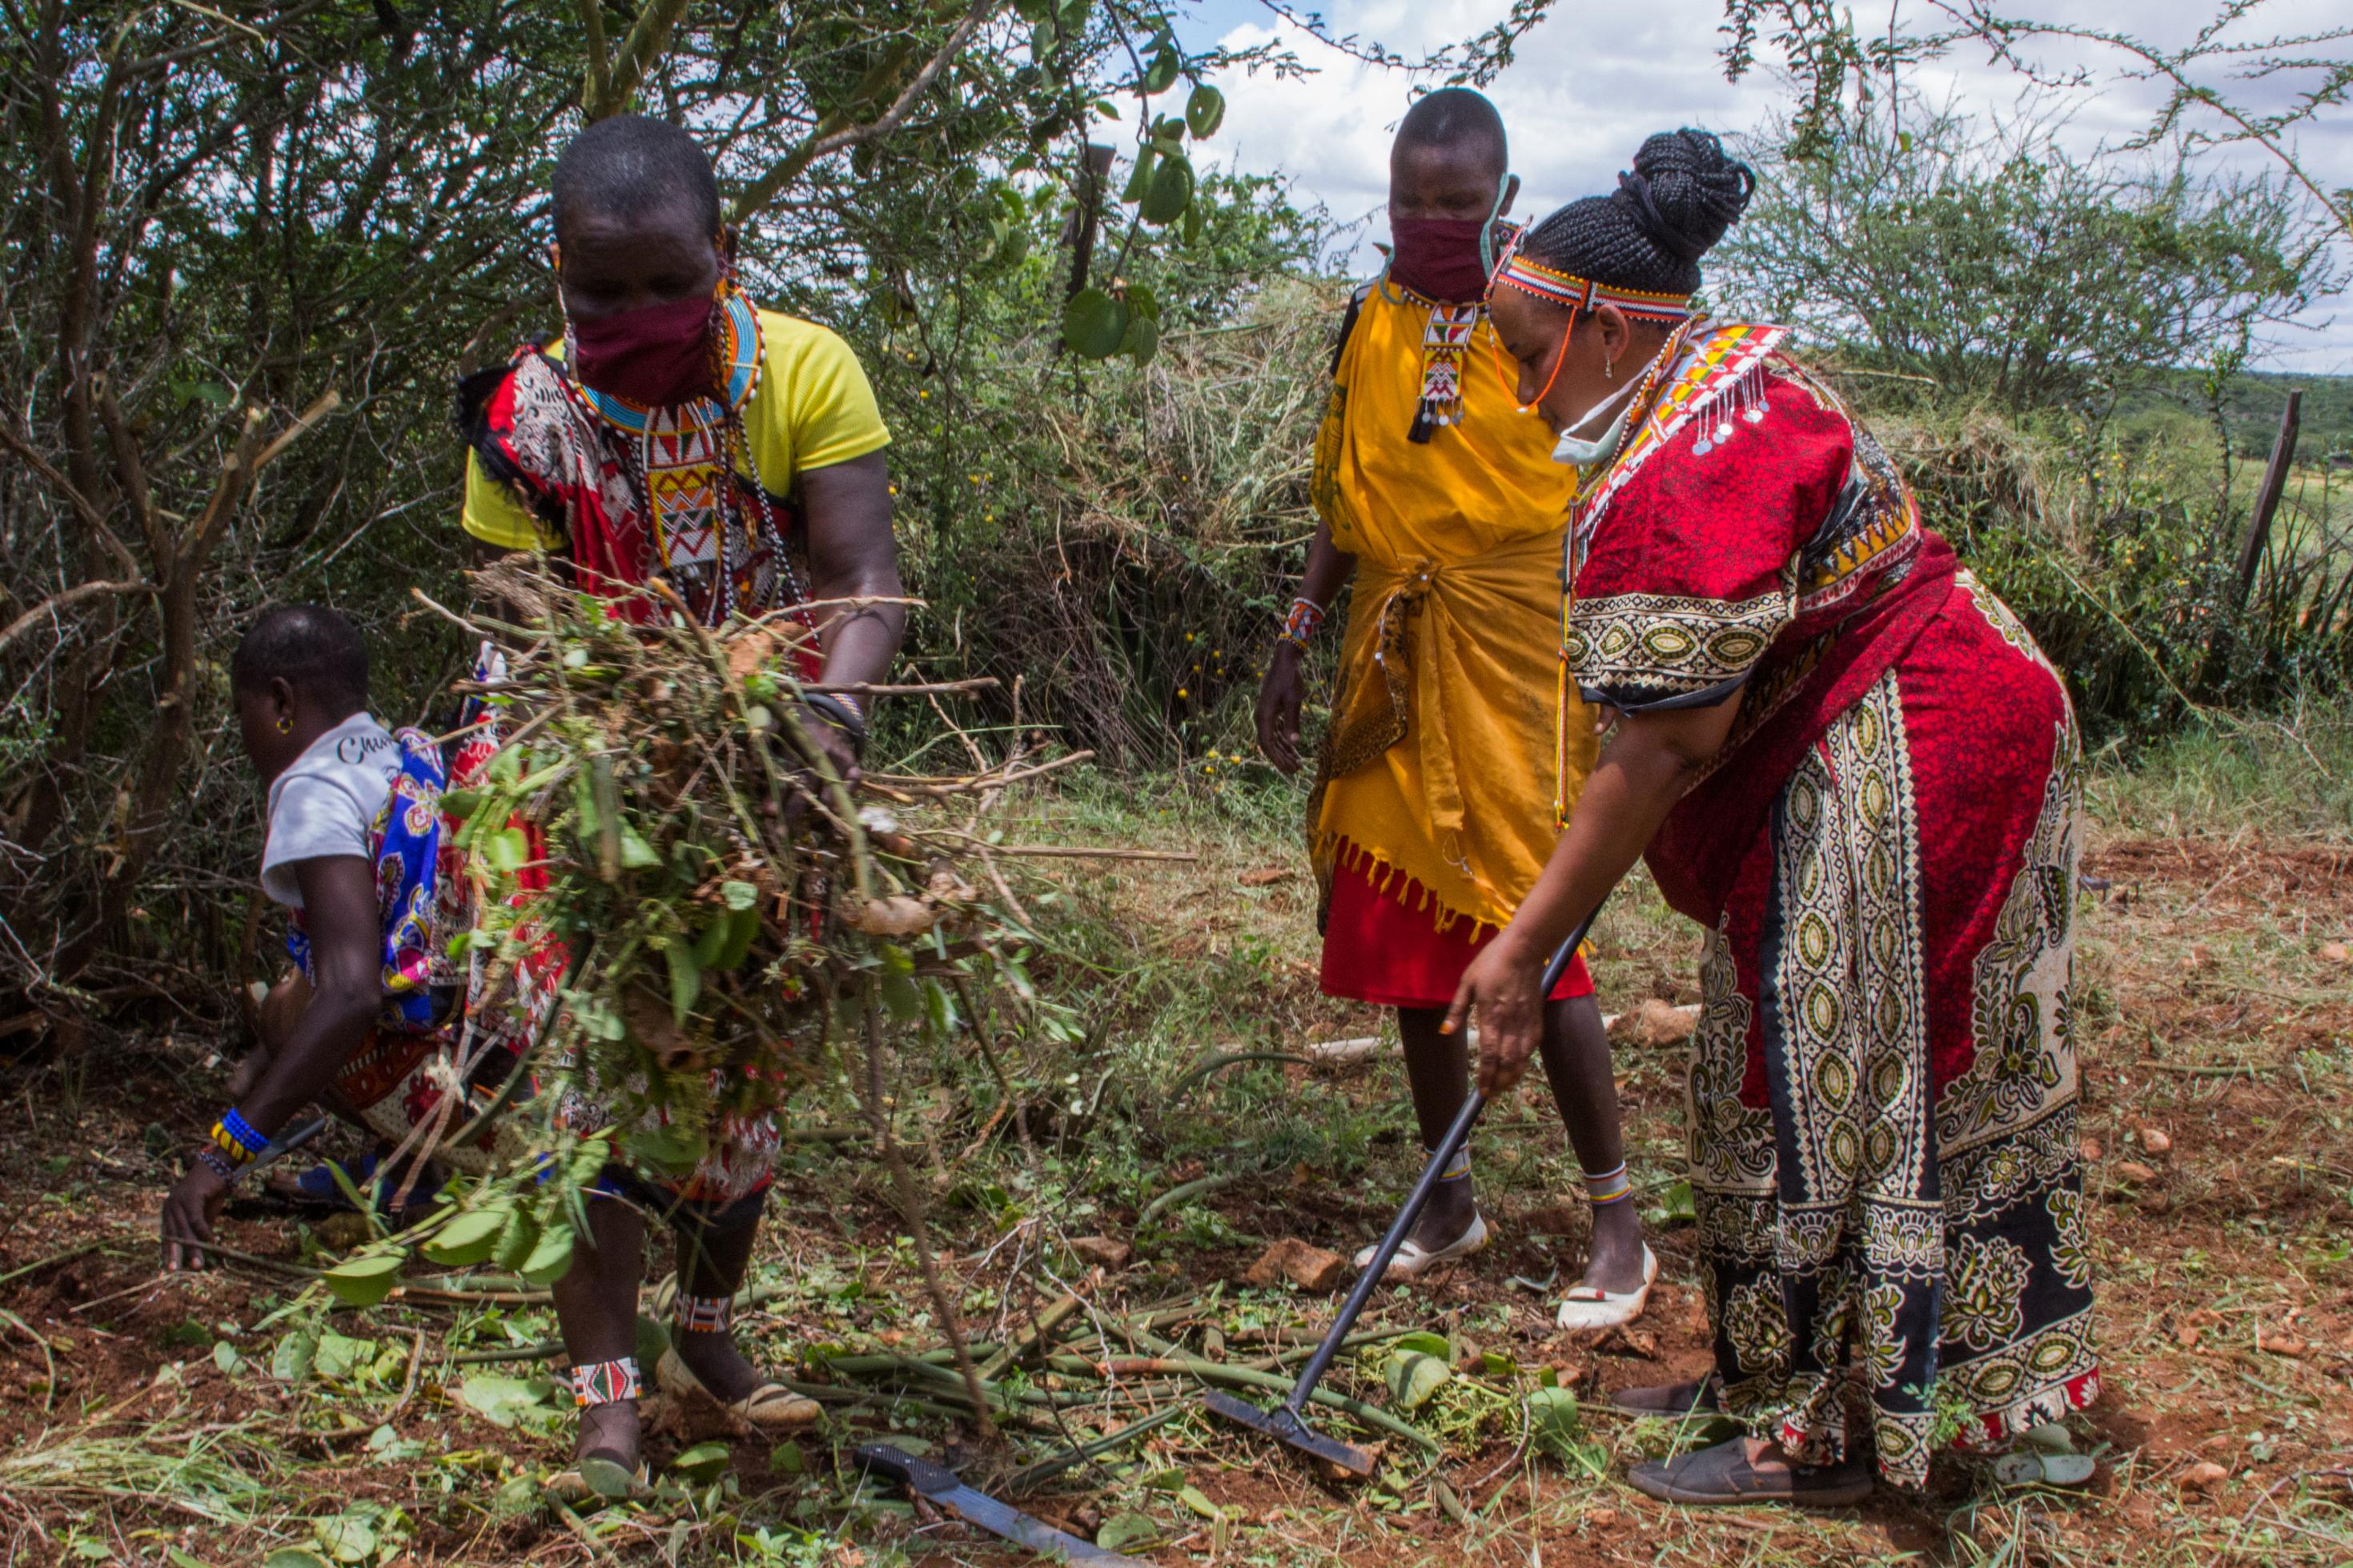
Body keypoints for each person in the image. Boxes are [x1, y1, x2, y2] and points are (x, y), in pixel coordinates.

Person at [1452, 129, 2094, 1505]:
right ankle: (1768, 1369)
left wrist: (1518, 948)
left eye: (1523, 355)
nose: (1517, 392)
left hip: (1923, 750)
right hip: (1872, 733)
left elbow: (1666, 739)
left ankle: (1824, 1426)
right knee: (1771, 1047)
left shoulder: (1693, 456)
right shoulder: (1703, 389)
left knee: (1843, 1071)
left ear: (1604, 323)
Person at [452, 113, 905, 1497]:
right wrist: (611, 751)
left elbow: (862, 571)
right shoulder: (523, 417)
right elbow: (522, 617)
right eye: (601, 292)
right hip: (575, 771)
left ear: (725, 256)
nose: (636, 316)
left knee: (740, 1067)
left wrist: (823, 717)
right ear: (555, 274)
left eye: (667, 285)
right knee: (593, 1076)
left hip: (769, 756)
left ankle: (704, 1328)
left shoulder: (801, 369)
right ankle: (603, 1401)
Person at [1255, 88, 1652, 1325]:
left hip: (1512, 646)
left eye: (1456, 204)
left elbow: (1604, 476)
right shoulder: (1364, 322)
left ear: (1504, 204)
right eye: (1408, 202)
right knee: (1399, 926)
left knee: (1533, 924)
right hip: (1389, 645)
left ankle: (1618, 1217)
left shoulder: (1544, 324)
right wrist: (1297, 630)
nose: (1430, 222)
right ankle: (1446, 1197)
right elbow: (1343, 492)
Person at [162, 606, 515, 1264]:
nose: (247, 740)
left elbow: (351, 994)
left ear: (281, 701)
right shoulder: (407, 753)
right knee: (297, 1006)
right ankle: (404, 1174)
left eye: (245, 717)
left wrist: (221, 1157)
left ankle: (422, 1183)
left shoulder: (314, 790)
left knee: (288, 1007)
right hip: (507, 1071)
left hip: (467, 1105)